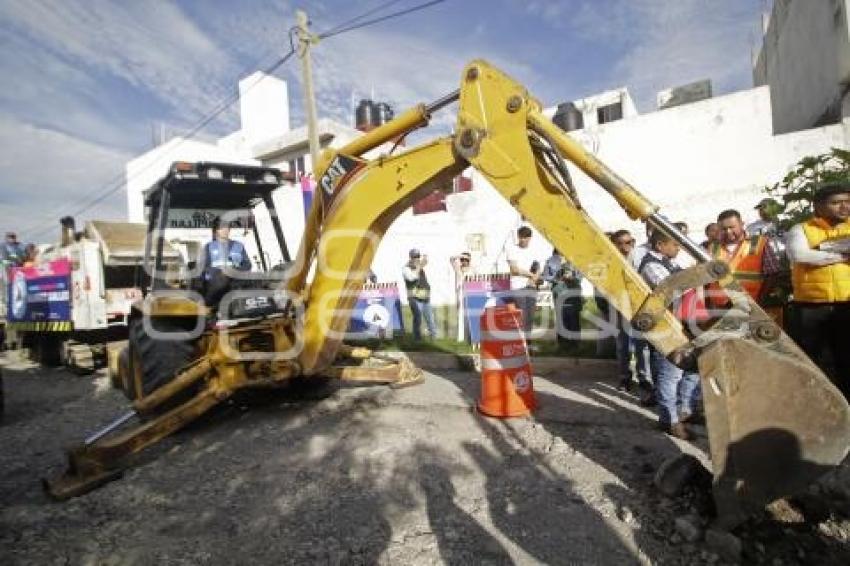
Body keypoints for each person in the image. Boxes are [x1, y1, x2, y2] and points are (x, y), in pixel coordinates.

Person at [786, 182, 850, 397]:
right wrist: (843, 254)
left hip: (846, 306)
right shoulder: (800, 229)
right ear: (818, 206)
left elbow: (813, 255)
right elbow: (800, 255)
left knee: (846, 359)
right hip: (811, 307)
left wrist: (822, 251)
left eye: (847, 202)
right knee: (812, 361)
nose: (844, 207)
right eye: (836, 203)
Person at [639, 230, 701, 440]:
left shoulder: (668, 263)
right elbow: (673, 288)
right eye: (674, 244)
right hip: (665, 325)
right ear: (659, 245)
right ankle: (668, 420)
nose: (678, 248)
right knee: (670, 374)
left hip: (681, 323)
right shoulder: (651, 266)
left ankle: (685, 411)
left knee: (691, 369)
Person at [710, 209, 783, 305]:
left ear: (742, 224)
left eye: (732, 227)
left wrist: (760, 302)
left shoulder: (759, 243)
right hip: (720, 308)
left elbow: (772, 274)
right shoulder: (713, 247)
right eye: (724, 229)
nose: (728, 232)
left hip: (751, 306)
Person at [611, 230, 653, 394]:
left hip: (640, 306)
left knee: (642, 345)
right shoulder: (612, 260)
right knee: (623, 345)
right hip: (620, 306)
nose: (625, 246)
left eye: (629, 242)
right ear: (614, 244)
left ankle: (644, 378)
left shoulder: (641, 256)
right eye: (621, 243)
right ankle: (625, 377)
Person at [200, 217, 251, 305]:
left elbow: (247, 265)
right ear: (216, 230)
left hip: (237, 281)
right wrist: (219, 272)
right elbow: (204, 269)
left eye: (227, 227)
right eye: (221, 228)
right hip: (217, 284)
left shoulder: (238, 245)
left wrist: (234, 271)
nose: (225, 230)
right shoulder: (208, 247)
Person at [544, 248, 583, 348]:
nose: (561, 256)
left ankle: (575, 344)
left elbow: (580, 277)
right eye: (558, 253)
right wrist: (557, 276)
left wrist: (572, 277)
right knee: (561, 318)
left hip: (573, 293)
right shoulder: (551, 261)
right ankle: (562, 344)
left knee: (574, 318)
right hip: (559, 293)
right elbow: (546, 276)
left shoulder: (576, 260)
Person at [505, 225, 540, 334]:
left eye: (525, 237)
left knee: (530, 316)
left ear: (530, 238)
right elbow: (514, 269)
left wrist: (535, 277)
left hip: (531, 286)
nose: (523, 240)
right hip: (518, 287)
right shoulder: (512, 249)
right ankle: (521, 343)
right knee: (522, 316)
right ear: (518, 237)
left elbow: (537, 266)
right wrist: (531, 275)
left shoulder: (535, 250)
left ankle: (528, 343)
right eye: (521, 237)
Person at [403, 248, 436, 340]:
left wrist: (423, 262)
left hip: (425, 296)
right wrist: (420, 266)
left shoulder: (419, 266)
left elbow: (425, 262)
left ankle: (433, 337)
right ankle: (417, 339)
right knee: (418, 319)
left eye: (418, 256)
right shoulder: (406, 268)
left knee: (430, 319)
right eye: (415, 257)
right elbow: (411, 278)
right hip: (414, 297)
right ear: (411, 257)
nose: (417, 258)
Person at [450, 251, 475, 341]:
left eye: (466, 260)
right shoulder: (457, 268)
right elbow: (451, 259)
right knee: (460, 314)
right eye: (462, 260)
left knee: (469, 314)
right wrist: (460, 255)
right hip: (460, 293)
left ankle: (470, 335)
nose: (464, 261)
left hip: (470, 293)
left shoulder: (472, 269)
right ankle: (460, 337)